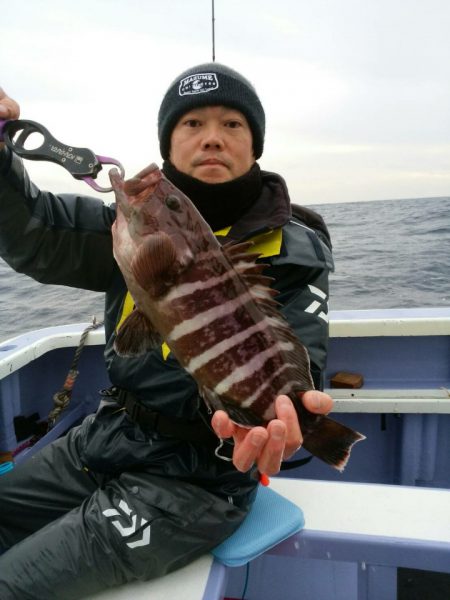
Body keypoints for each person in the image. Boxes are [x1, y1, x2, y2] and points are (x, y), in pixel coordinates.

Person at [0, 64, 334, 599]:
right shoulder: (128, 225)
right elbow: (33, 231)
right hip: (108, 436)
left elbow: (300, 355)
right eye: (191, 124)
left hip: (198, 484)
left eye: (232, 124)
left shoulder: (297, 247)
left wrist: (288, 423)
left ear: (255, 143)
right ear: (169, 143)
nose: (211, 138)